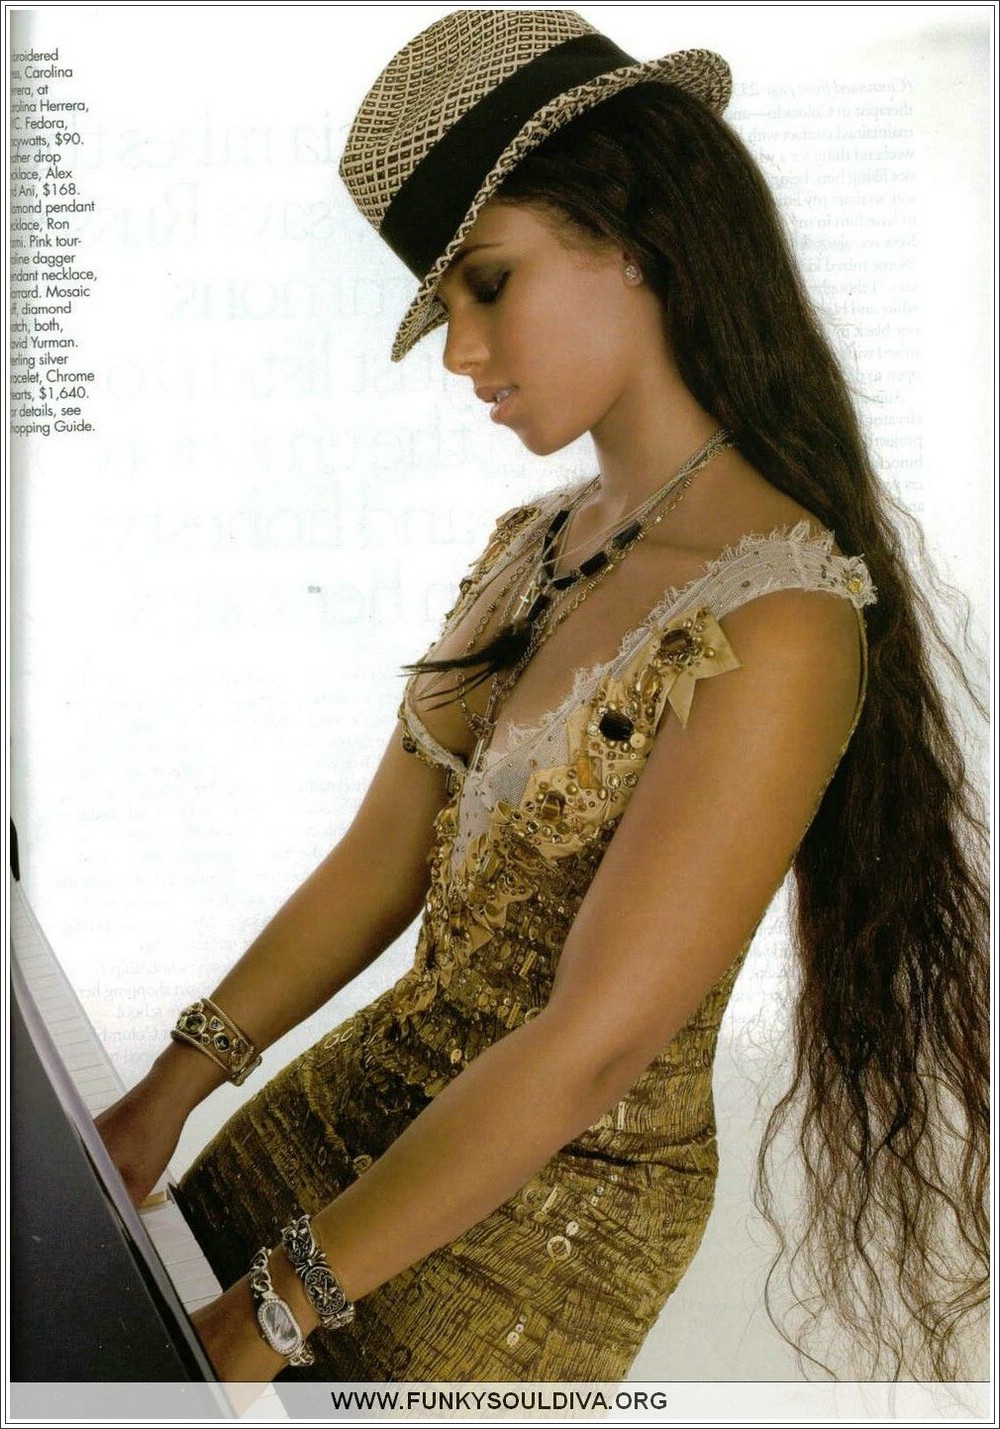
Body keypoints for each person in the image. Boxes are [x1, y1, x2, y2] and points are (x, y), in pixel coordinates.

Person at [96, 9, 988, 1385]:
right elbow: (384, 855)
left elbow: (591, 1046)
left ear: (632, 236)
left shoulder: (783, 619)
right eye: (444, 305)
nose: (461, 354)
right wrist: (163, 1095)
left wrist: (264, 1315)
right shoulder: (541, 543)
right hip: (355, 1115)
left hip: (544, 1220)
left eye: (488, 284)